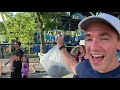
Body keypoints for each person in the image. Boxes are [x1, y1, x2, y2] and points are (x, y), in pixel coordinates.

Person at [56, 13, 120, 78]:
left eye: (104, 39)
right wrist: (61, 46)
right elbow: (73, 66)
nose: (93, 47)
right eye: (89, 39)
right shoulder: (86, 65)